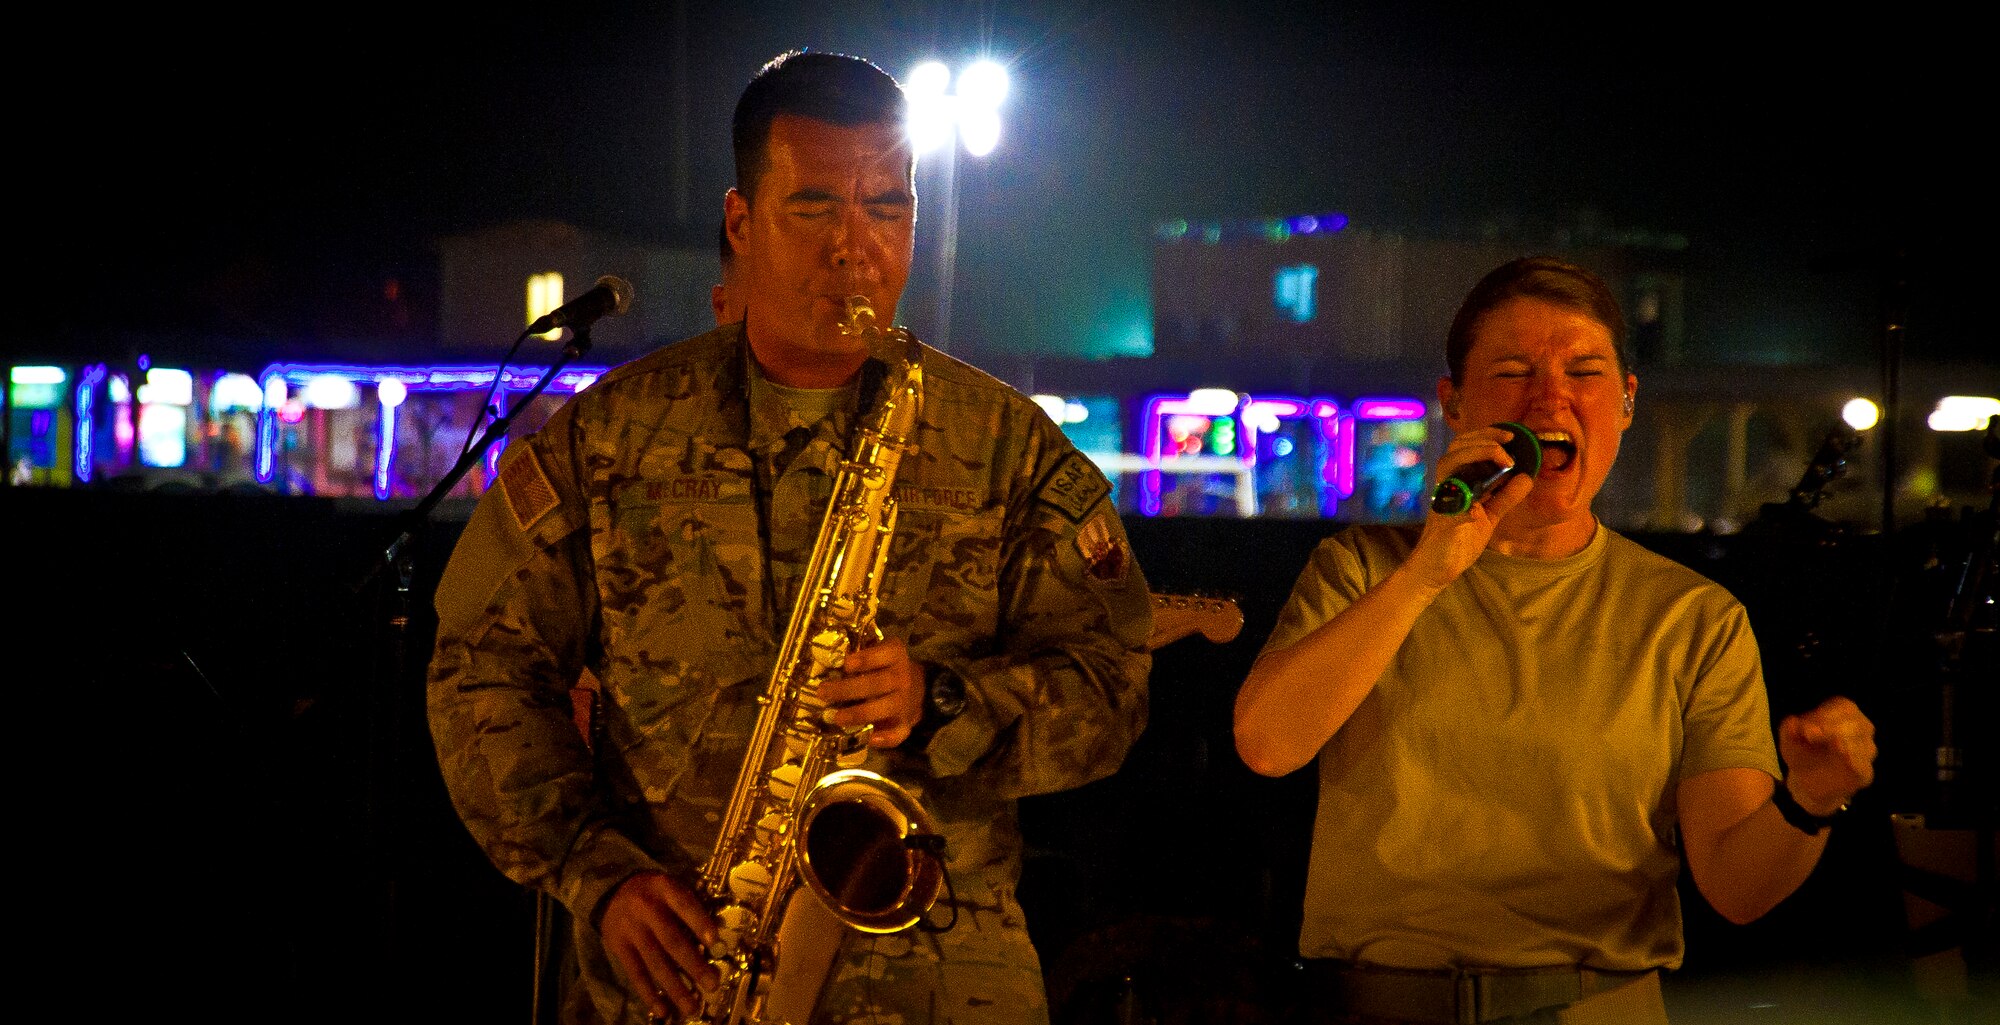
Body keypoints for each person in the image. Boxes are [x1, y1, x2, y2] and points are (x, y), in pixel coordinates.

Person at [426, 50, 1152, 1025]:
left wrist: (940, 700)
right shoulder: (609, 436)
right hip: (679, 971)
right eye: (815, 208)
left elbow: (1114, 683)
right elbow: (479, 665)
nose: (855, 249)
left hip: (939, 979)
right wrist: (595, 873)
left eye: (886, 209)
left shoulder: (1006, 444)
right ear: (741, 223)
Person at [1232, 256, 1876, 1024]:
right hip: (1381, 1004)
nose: (1550, 396)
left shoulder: (1693, 618)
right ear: (1454, 404)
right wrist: (1426, 575)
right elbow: (1267, 742)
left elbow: (1736, 888)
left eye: (1585, 370)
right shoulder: (1362, 569)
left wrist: (1809, 800)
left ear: (1628, 401)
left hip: (1593, 1004)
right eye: (1512, 371)